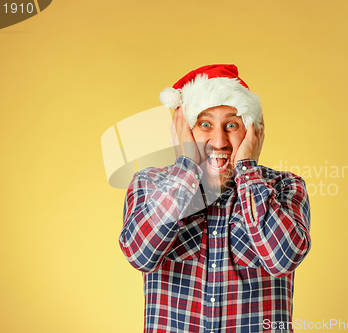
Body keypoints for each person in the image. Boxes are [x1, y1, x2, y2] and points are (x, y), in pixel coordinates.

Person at [119, 64, 311, 333]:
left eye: (232, 125)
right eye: (204, 124)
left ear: (251, 131)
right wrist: (186, 164)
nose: (219, 141)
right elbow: (140, 255)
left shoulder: (285, 187)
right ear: (184, 130)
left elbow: (282, 260)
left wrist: (246, 168)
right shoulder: (149, 185)